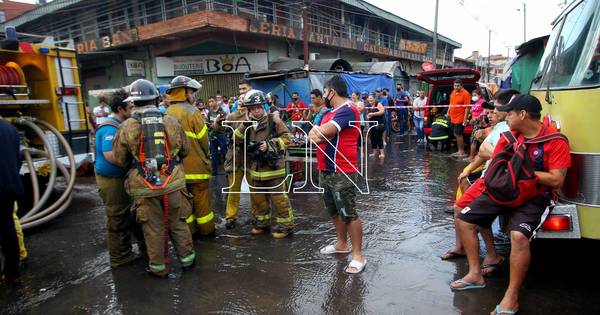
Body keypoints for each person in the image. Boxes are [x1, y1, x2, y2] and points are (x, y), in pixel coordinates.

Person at [452, 95, 570, 315]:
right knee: (464, 218)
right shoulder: (509, 137)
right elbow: (496, 165)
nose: (507, 116)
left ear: (523, 114)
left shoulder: (556, 141)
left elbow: (556, 180)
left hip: (536, 196)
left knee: (518, 236)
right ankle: (475, 274)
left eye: (511, 113)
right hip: (506, 190)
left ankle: (511, 297)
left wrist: (525, 172)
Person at [112, 79, 195, 277]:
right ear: (156, 99)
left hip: (144, 188)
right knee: (179, 224)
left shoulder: (126, 127)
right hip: (173, 184)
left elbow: (120, 159)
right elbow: (186, 150)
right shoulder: (171, 121)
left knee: (153, 229)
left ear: (133, 102)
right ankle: (188, 262)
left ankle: (159, 269)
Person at [308, 75, 365, 274]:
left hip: (343, 169)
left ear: (332, 91)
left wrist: (319, 134)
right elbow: (315, 135)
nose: (323, 95)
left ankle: (358, 255)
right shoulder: (329, 112)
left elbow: (320, 134)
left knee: (348, 213)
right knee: (333, 210)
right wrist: (319, 134)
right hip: (326, 168)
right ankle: (342, 244)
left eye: (324, 92)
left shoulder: (348, 110)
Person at [233, 89, 294, 238]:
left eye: (259, 107)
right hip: (256, 169)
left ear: (264, 106)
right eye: (253, 108)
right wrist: (244, 125)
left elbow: (287, 138)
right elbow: (236, 139)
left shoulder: (274, 120)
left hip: (274, 169)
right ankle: (262, 224)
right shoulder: (247, 124)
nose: (256, 111)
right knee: (258, 200)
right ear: (248, 110)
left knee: (279, 200)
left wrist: (270, 145)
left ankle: (286, 227)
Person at [94, 89, 143, 268]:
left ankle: (130, 250)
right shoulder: (110, 128)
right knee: (118, 218)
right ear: (121, 109)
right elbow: (110, 155)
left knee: (131, 215)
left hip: (122, 178)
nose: (134, 110)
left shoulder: (124, 125)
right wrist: (136, 160)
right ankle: (120, 257)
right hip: (112, 180)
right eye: (131, 107)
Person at [165, 76, 215, 236]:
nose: (194, 96)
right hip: (198, 168)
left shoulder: (167, 113)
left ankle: (191, 233)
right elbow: (204, 141)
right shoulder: (193, 112)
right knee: (202, 204)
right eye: (192, 92)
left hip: (177, 171)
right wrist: (207, 156)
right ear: (184, 93)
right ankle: (207, 231)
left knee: (185, 204)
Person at [0, 118, 24, 285]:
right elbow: (18, 159)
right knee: (7, 228)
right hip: (9, 186)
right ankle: (12, 273)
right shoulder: (10, 128)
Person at [448, 79, 471, 157]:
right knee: (455, 133)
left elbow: (467, 108)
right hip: (453, 118)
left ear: (461, 86)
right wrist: (448, 113)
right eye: (455, 85)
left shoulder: (465, 93)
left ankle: (461, 151)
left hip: (460, 118)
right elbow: (450, 103)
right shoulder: (453, 92)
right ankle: (459, 150)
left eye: (458, 85)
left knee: (458, 134)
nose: (456, 87)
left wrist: (465, 119)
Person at [206, 96, 228, 175]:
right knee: (214, 154)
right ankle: (214, 172)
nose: (211, 103)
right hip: (212, 136)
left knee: (225, 153)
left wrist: (215, 124)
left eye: (212, 101)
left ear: (216, 102)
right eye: (209, 102)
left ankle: (227, 171)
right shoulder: (209, 112)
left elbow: (223, 124)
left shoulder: (222, 112)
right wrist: (209, 125)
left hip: (221, 136)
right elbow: (208, 123)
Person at [467, 88, 488, 161]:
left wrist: (478, 118)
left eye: (475, 95)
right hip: (476, 124)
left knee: (474, 139)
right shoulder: (474, 103)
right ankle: (476, 156)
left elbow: (485, 111)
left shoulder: (482, 102)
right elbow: (472, 113)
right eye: (472, 95)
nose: (473, 97)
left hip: (481, 124)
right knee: (476, 139)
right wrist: (471, 119)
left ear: (479, 95)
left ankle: (471, 157)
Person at [365, 94, 386, 159]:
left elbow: (382, 111)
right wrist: (368, 116)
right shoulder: (368, 106)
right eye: (369, 98)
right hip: (371, 124)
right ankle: (374, 152)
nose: (370, 100)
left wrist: (373, 114)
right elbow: (367, 114)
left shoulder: (378, 104)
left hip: (379, 124)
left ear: (374, 98)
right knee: (372, 138)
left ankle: (382, 153)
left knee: (379, 138)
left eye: (371, 98)